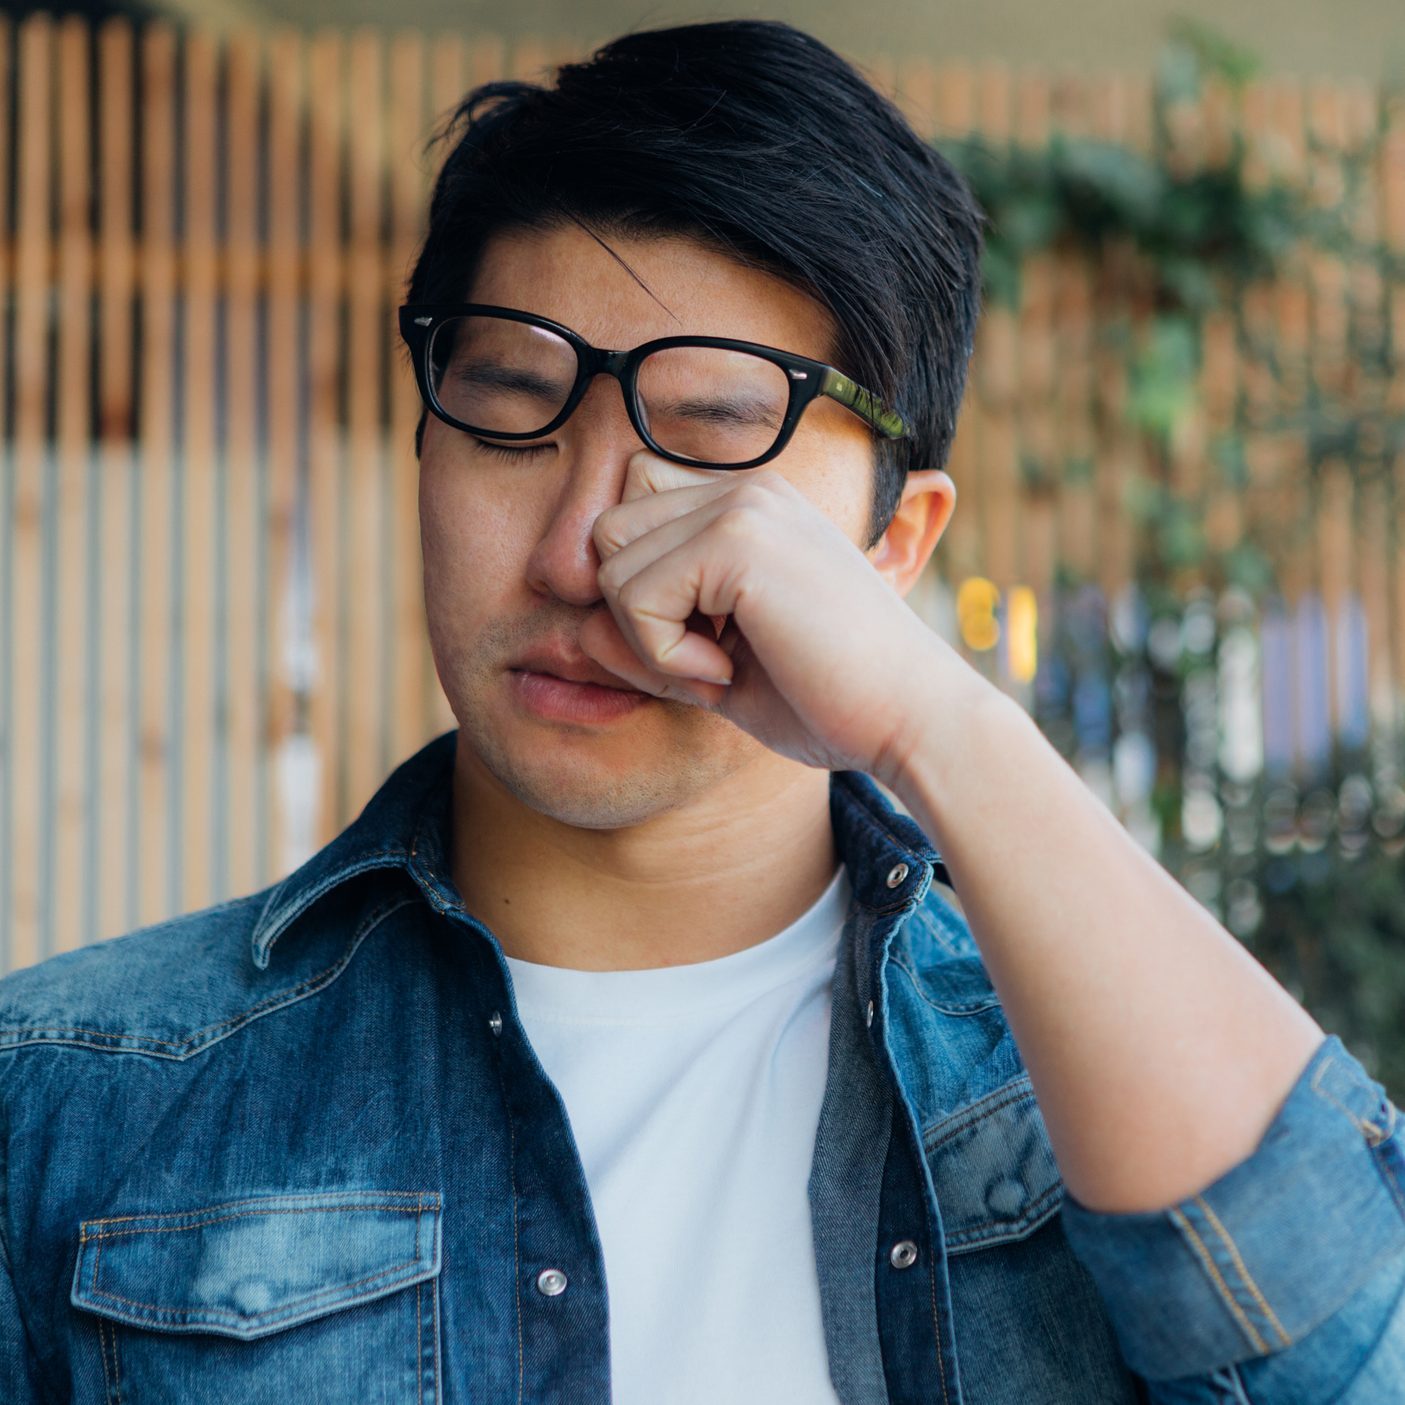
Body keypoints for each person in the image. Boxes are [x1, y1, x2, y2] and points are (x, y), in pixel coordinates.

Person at [2, 18, 1402, 1404]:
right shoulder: (67, 1100)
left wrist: (933, 718)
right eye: (510, 404)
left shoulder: (1089, 1095)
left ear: (893, 544)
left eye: (712, 440)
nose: (578, 552)